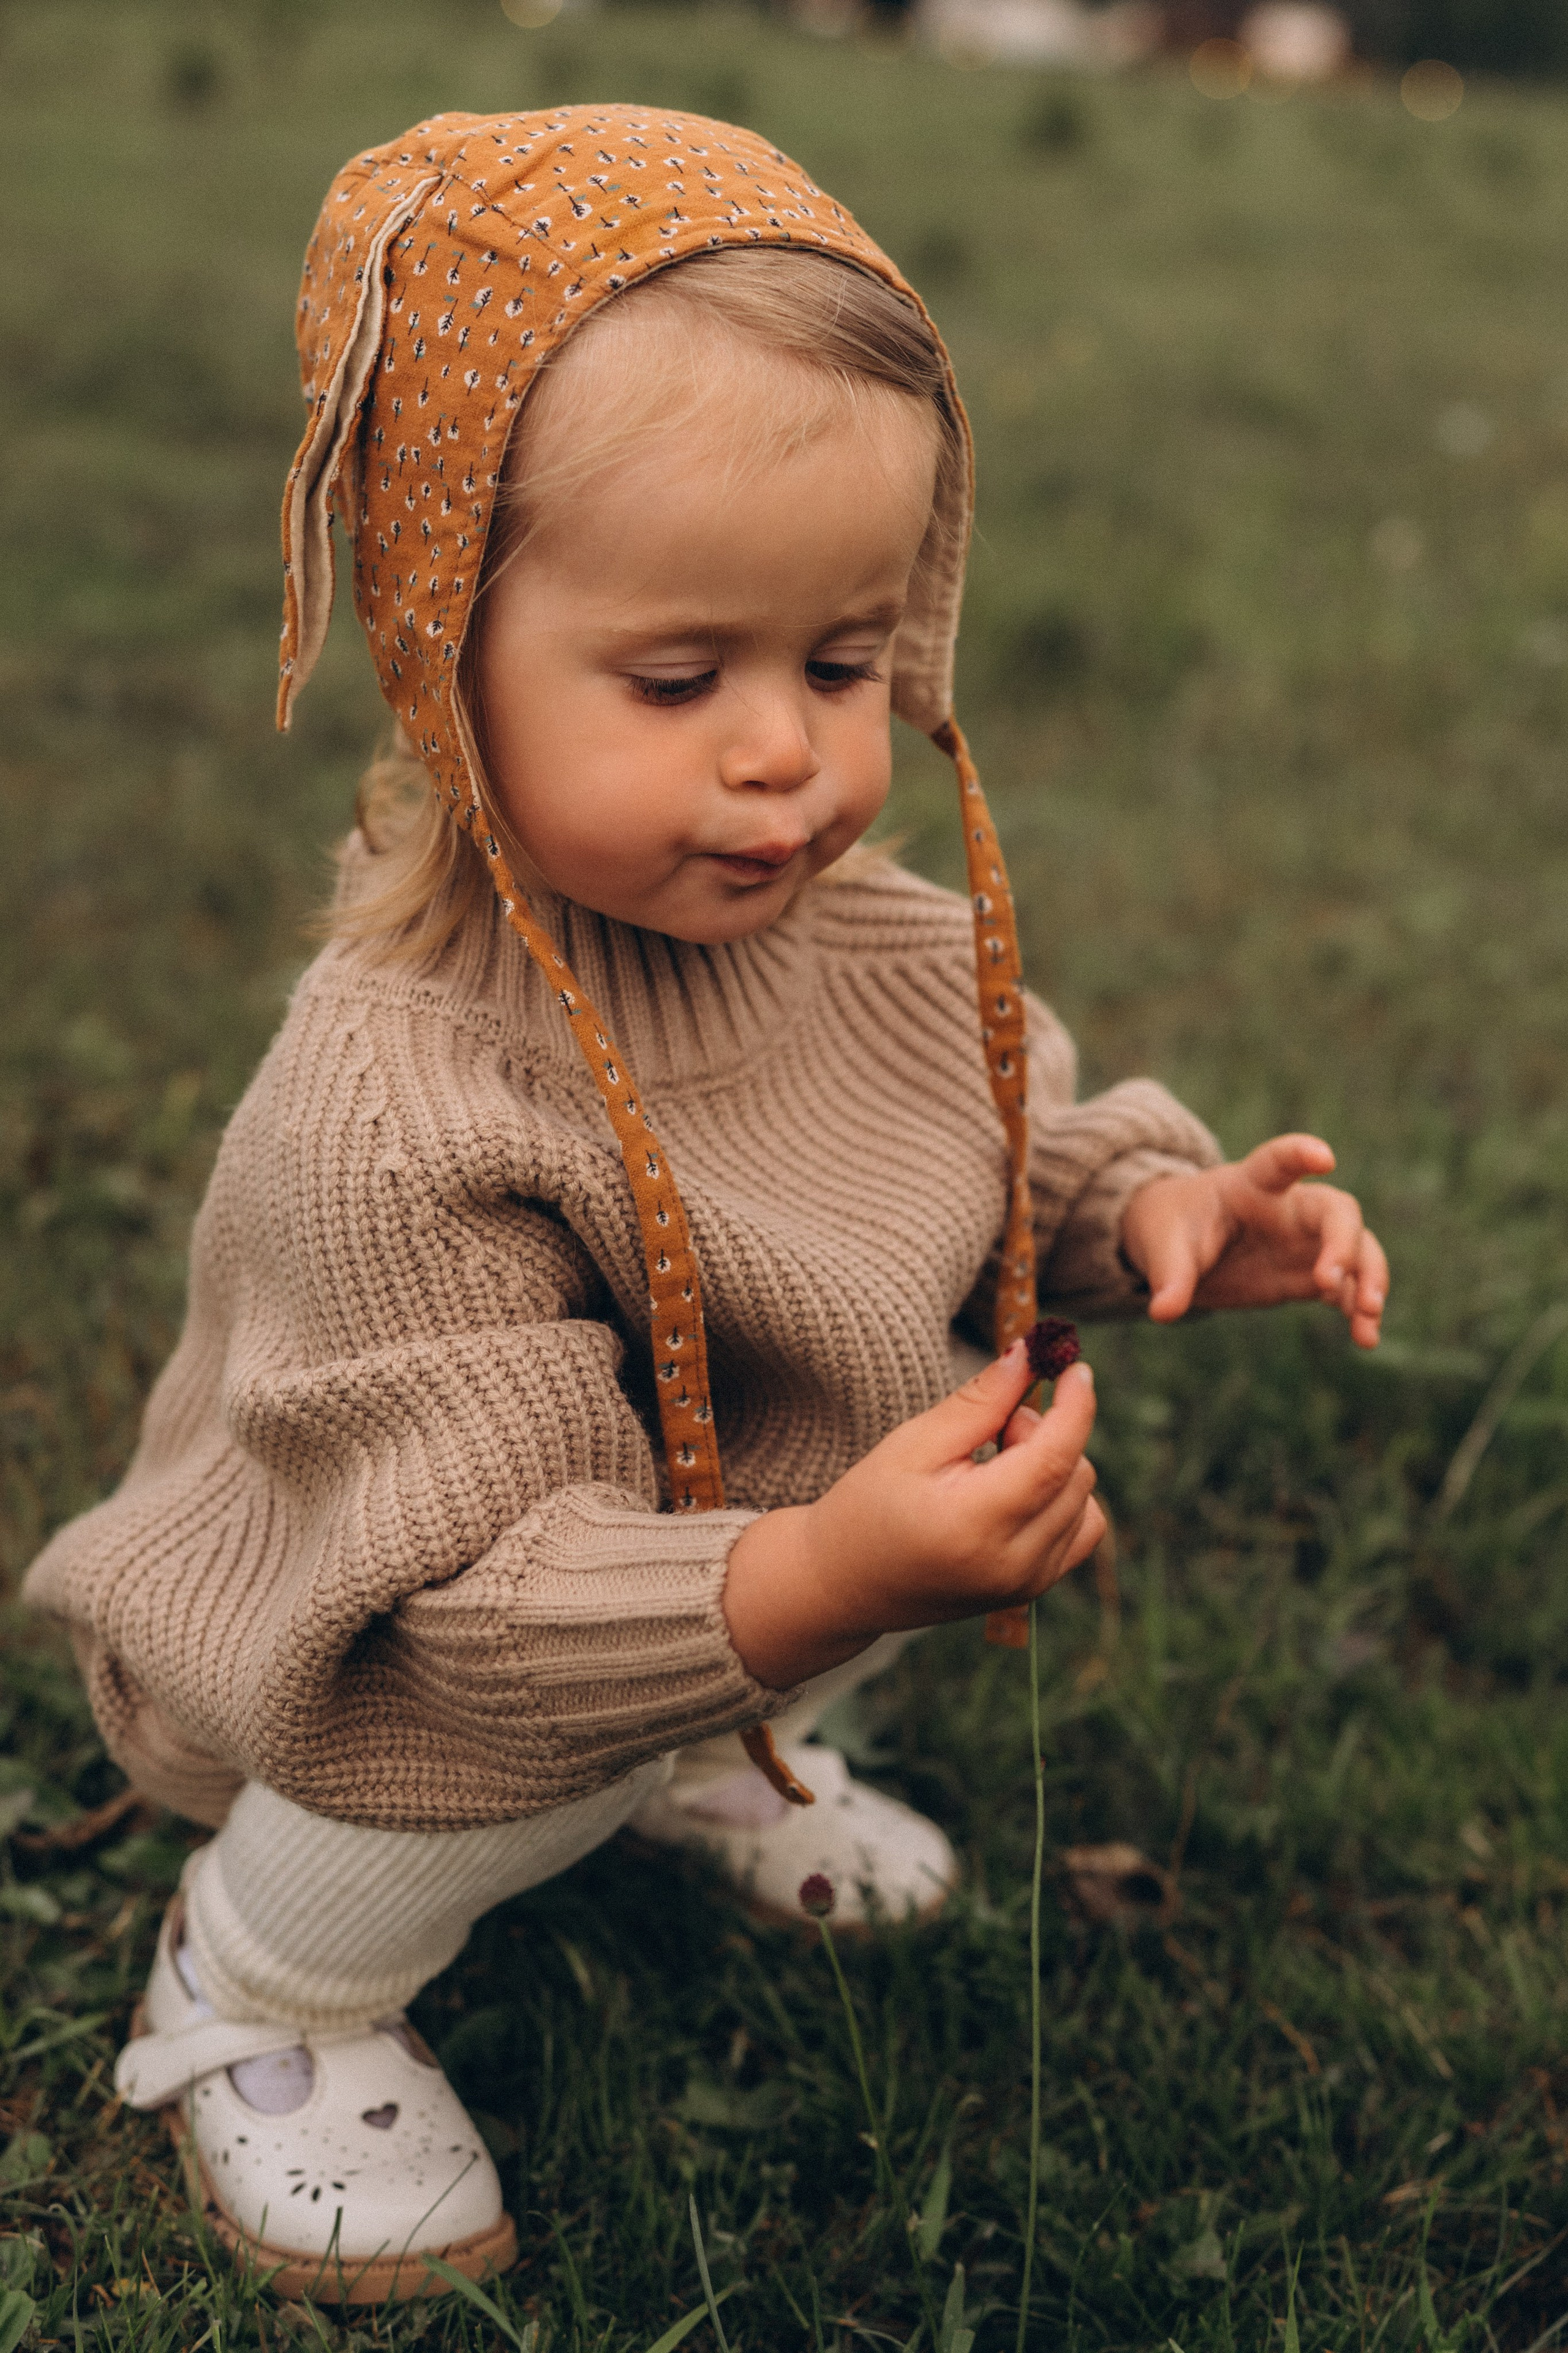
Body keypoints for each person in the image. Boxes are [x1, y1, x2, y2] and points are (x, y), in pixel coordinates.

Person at [23, 106, 1387, 2302]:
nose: (787, 756)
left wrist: (1145, 1211)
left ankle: (710, 1743)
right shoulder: (406, 1099)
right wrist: (835, 1562)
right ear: (445, 642)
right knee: (477, 1741)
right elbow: (462, 1607)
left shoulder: (857, 932)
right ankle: (264, 1991)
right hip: (379, 1647)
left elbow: (975, 1146)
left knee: (815, 1557)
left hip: (711, 1583)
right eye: (682, 681)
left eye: (844, 665)